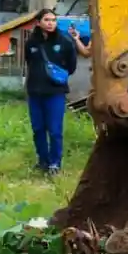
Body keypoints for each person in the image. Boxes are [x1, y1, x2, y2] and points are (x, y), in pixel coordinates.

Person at [24, 9, 78, 175]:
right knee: (38, 129)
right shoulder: (31, 43)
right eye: (47, 20)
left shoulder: (64, 41)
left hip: (55, 92)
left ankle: (55, 162)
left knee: (55, 130)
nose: (50, 23)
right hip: (35, 92)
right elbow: (29, 62)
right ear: (38, 22)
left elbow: (72, 65)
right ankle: (42, 160)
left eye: (53, 20)